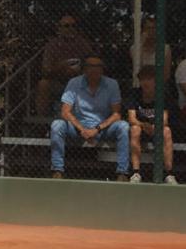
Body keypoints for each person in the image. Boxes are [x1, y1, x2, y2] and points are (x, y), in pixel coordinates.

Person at [50, 53, 130, 181]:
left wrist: (96, 129)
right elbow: (65, 112)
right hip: (77, 128)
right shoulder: (74, 83)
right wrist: (82, 129)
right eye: (90, 66)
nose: (94, 69)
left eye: (98, 66)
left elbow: (116, 114)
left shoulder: (112, 84)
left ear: (102, 69)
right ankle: (57, 170)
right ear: (84, 69)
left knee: (123, 126)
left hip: (102, 128)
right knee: (57, 125)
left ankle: (122, 173)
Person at [127, 66, 178, 184]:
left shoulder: (163, 95)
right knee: (134, 129)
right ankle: (135, 172)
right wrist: (143, 125)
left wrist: (155, 126)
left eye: (149, 79)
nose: (146, 82)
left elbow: (164, 120)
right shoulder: (134, 94)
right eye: (143, 79)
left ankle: (169, 174)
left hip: (157, 128)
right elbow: (131, 118)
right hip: (141, 127)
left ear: (156, 81)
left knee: (166, 131)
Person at [36, 15, 94, 116]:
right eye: (67, 26)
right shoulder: (52, 45)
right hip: (58, 82)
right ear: (60, 28)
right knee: (43, 84)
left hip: (79, 82)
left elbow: (93, 64)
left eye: (73, 26)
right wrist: (60, 67)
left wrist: (80, 71)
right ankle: (42, 121)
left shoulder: (83, 44)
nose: (70, 29)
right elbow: (45, 70)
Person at [130, 15, 172, 82]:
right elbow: (137, 68)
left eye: (154, 28)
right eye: (148, 28)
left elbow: (166, 74)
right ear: (143, 30)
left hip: (159, 84)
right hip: (140, 83)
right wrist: (141, 45)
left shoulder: (165, 48)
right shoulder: (134, 48)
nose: (152, 31)